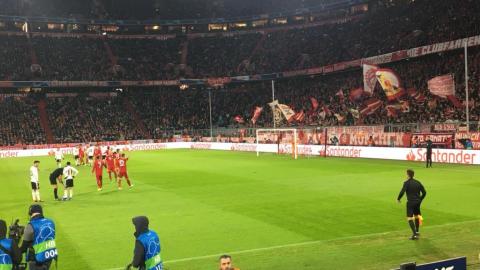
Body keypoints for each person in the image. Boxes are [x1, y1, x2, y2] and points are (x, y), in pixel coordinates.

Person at [19, 205, 57, 270]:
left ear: (31, 213)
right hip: (49, 256)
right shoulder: (51, 222)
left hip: (36, 259)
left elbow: (23, 249)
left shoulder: (30, 226)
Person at [397, 169, 427, 240]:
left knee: (409, 218)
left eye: (406, 174)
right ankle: (417, 231)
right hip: (417, 202)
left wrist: (398, 198)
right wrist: (420, 199)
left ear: (408, 175)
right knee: (417, 216)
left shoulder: (406, 183)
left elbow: (402, 192)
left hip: (410, 202)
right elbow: (424, 192)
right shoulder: (418, 182)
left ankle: (415, 235)